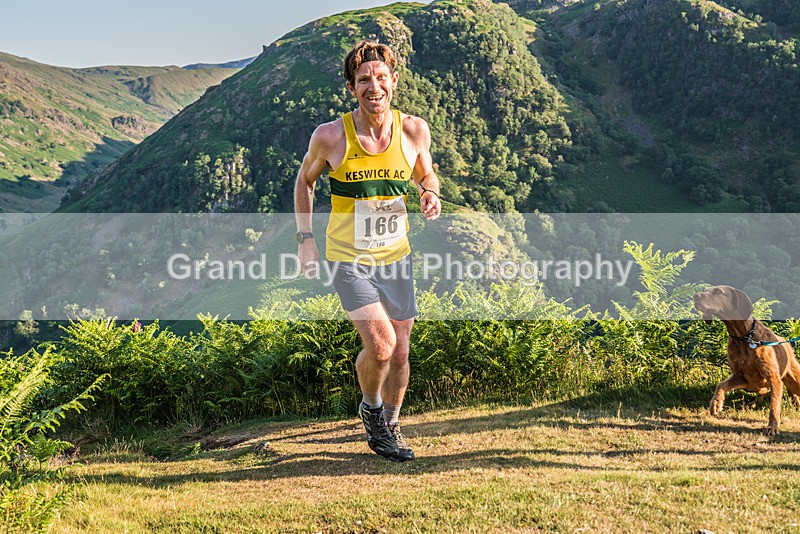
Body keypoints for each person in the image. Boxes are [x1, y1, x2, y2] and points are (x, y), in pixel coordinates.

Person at [293, 40, 442, 461]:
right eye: (363, 80)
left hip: (397, 256)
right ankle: (372, 412)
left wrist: (430, 193)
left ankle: (391, 425)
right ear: (350, 87)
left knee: (402, 350)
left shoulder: (413, 130)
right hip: (349, 259)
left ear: (393, 81)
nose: (373, 86)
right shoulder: (330, 137)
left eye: (380, 78)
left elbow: (427, 174)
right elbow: (305, 182)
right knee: (381, 345)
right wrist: (305, 240)